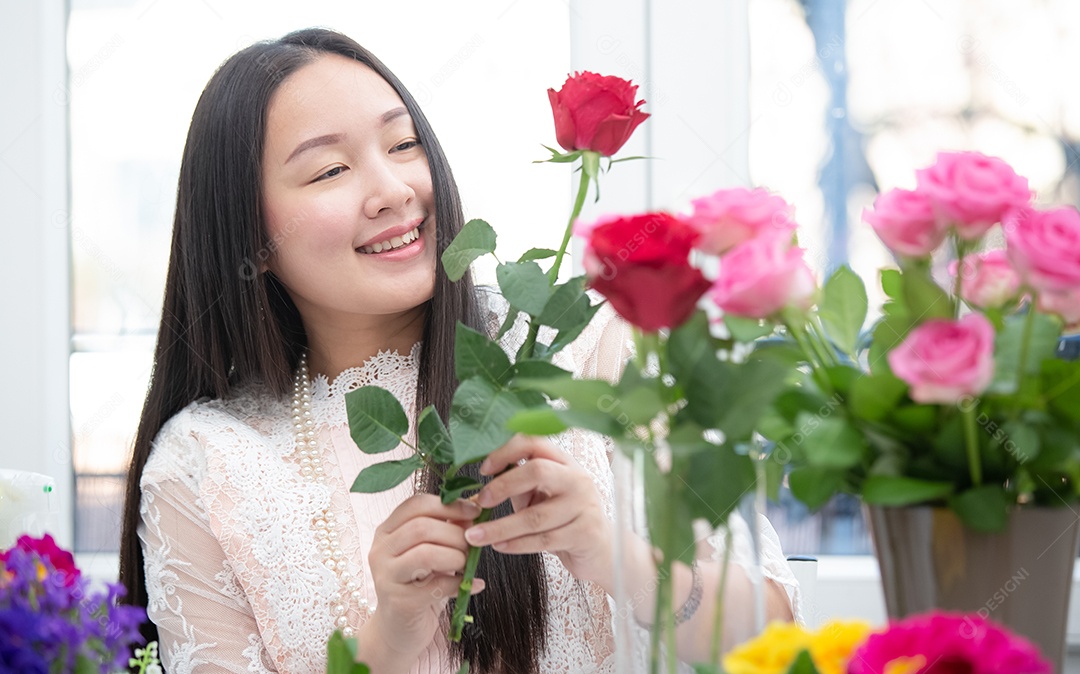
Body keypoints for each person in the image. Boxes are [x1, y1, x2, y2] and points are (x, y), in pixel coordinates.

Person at [118, 28, 800, 674]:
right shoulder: (204, 466)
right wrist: (388, 637)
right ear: (249, 240)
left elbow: (778, 635)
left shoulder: (581, 348)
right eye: (330, 170)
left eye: (404, 143)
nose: (393, 191)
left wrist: (610, 552)